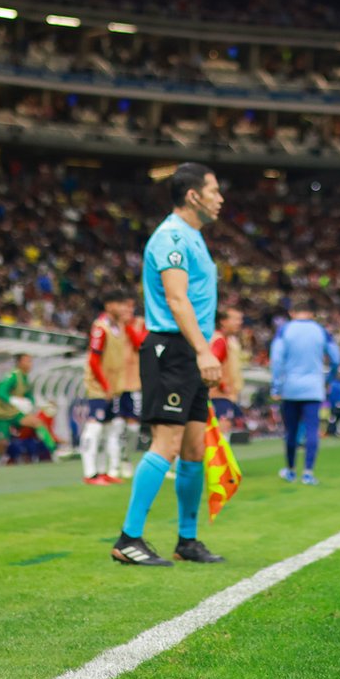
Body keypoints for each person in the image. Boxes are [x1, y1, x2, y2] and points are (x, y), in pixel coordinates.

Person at [111, 163, 226, 567]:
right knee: (167, 443)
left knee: (194, 447)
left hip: (189, 352)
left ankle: (187, 540)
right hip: (172, 350)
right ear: (193, 195)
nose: (220, 198)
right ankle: (129, 538)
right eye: (214, 190)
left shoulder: (192, 237)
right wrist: (203, 350)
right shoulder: (172, 236)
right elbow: (177, 300)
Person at [269, 297, 340, 484]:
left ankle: (291, 470)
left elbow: (276, 360)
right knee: (312, 430)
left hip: (290, 388)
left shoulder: (285, 330)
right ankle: (308, 472)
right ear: (312, 313)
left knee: (291, 431)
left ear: (292, 313)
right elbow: (336, 359)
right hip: (313, 388)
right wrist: (328, 379)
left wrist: (276, 385)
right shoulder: (320, 331)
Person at [80, 291, 146, 486]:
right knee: (94, 427)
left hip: (114, 387)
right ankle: (90, 473)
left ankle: (104, 471)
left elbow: (139, 343)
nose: (125, 309)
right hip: (100, 387)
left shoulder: (120, 327)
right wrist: (104, 384)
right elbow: (93, 360)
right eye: (120, 304)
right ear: (109, 306)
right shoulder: (100, 328)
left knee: (111, 429)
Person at [0, 354, 58, 461]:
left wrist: (39, 404)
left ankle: (54, 451)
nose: (30, 364)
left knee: (36, 422)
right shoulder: (12, 376)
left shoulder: (24, 377)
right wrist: (13, 400)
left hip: (15, 413)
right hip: (1, 415)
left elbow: (28, 395)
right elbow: (0, 391)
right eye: (27, 361)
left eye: (31, 361)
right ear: (19, 363)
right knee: (1, 445)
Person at [208, 307, 244, 421]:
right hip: (219, 397)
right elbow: (212, 365)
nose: (240, 323)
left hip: (226, 396)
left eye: (241, 319)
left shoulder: (229, 340)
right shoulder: (219, 341)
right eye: (236, 319)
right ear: (223, 321)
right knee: (222, 435)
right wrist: (223, 385)